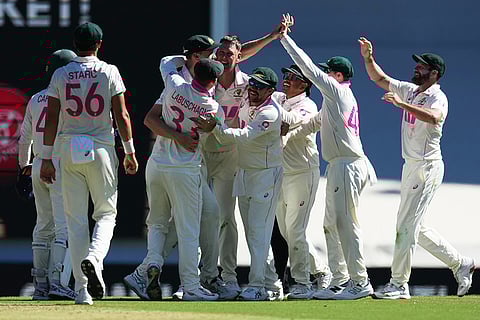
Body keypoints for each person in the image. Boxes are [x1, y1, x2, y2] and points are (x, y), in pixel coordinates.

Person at [358, 37, 476, 299]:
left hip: (427, 167)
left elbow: (434, 117)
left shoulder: (438, 97)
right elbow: (380, 78)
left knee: (405, 228)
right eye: (417, 66)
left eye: (422, 67)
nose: (416, 70)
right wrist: (368, 59)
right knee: (415, 228)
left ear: (434, 73)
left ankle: (399, 284)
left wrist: (401, 105)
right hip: (410, 166)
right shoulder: (410, 89)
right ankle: (461, 263)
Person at [275, 14, 377, 300]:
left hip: (347, 164)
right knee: (331, 225)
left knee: (345, 224)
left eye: (328, 72)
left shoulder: (338, 92)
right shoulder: (333, 102)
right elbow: (312, 124)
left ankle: (360, 281)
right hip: (339, 165)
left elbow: (308, 69)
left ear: (339, 76)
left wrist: (284, 38)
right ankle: (341, 279)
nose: (323, 75)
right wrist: (284, 138)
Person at [125, 35, 231, 301]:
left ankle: (148, 267)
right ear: (214, 81)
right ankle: (191, 286)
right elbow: (221, 130)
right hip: (185, 169)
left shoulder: (173, 85)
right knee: (188, 229)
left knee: (157, 223)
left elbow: (165, 63)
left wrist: (185, 57)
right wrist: (211, 126)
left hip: (157, 163)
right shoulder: (212, 106)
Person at [40, 22, 138, 305]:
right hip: (101, 147)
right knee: (106, 214)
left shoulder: (61, 73)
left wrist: (45, 157)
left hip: (69, 148)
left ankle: (83, 290)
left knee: (75, 221)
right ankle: (95, 258)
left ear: (75, 44)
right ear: (99, 44)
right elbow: (122, 114)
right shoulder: (109, 71)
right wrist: (129, 152)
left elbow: (52, 118)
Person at [193, 67, 284, 301]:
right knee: (253, 232)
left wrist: (216, 128)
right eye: (252, 84)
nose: (253, 89)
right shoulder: (249, 102)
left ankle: (257, 286)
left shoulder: (270, 114)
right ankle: (272, 284)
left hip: (265, 176)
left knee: (258, 233)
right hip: (244, 173)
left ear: (270, 91)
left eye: (260, 87)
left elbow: (243, 135)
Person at [18, 49, 78, 301]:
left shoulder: (35, 98)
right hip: (60, 166)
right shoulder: (70, 98)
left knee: (43, 226)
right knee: (64, 227)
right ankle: (57, 281)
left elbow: (24, 138)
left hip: (38, 164)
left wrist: (24, 167)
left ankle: (40, 285)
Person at [273, 64, 332, 299]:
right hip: (281, 173)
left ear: (305, 84)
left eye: (292, 77)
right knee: (287, 232)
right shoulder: (278, 98)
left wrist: (270, 109)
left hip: (302, 172)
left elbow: (291, 122)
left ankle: (301, 282)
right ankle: (320, 269)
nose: (286, 80)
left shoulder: (308, 105)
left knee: (295, 230)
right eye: (285, 75)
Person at [203, 35, 249, 299]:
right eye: (219, 53)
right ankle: (198, 277)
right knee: (196, 215)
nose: (222, 57)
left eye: (228, 54)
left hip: (230, 155)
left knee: (225, 217)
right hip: (201, 152)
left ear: (239, 56)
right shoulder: (203, 80)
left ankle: (228, 278)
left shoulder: (248, 85)